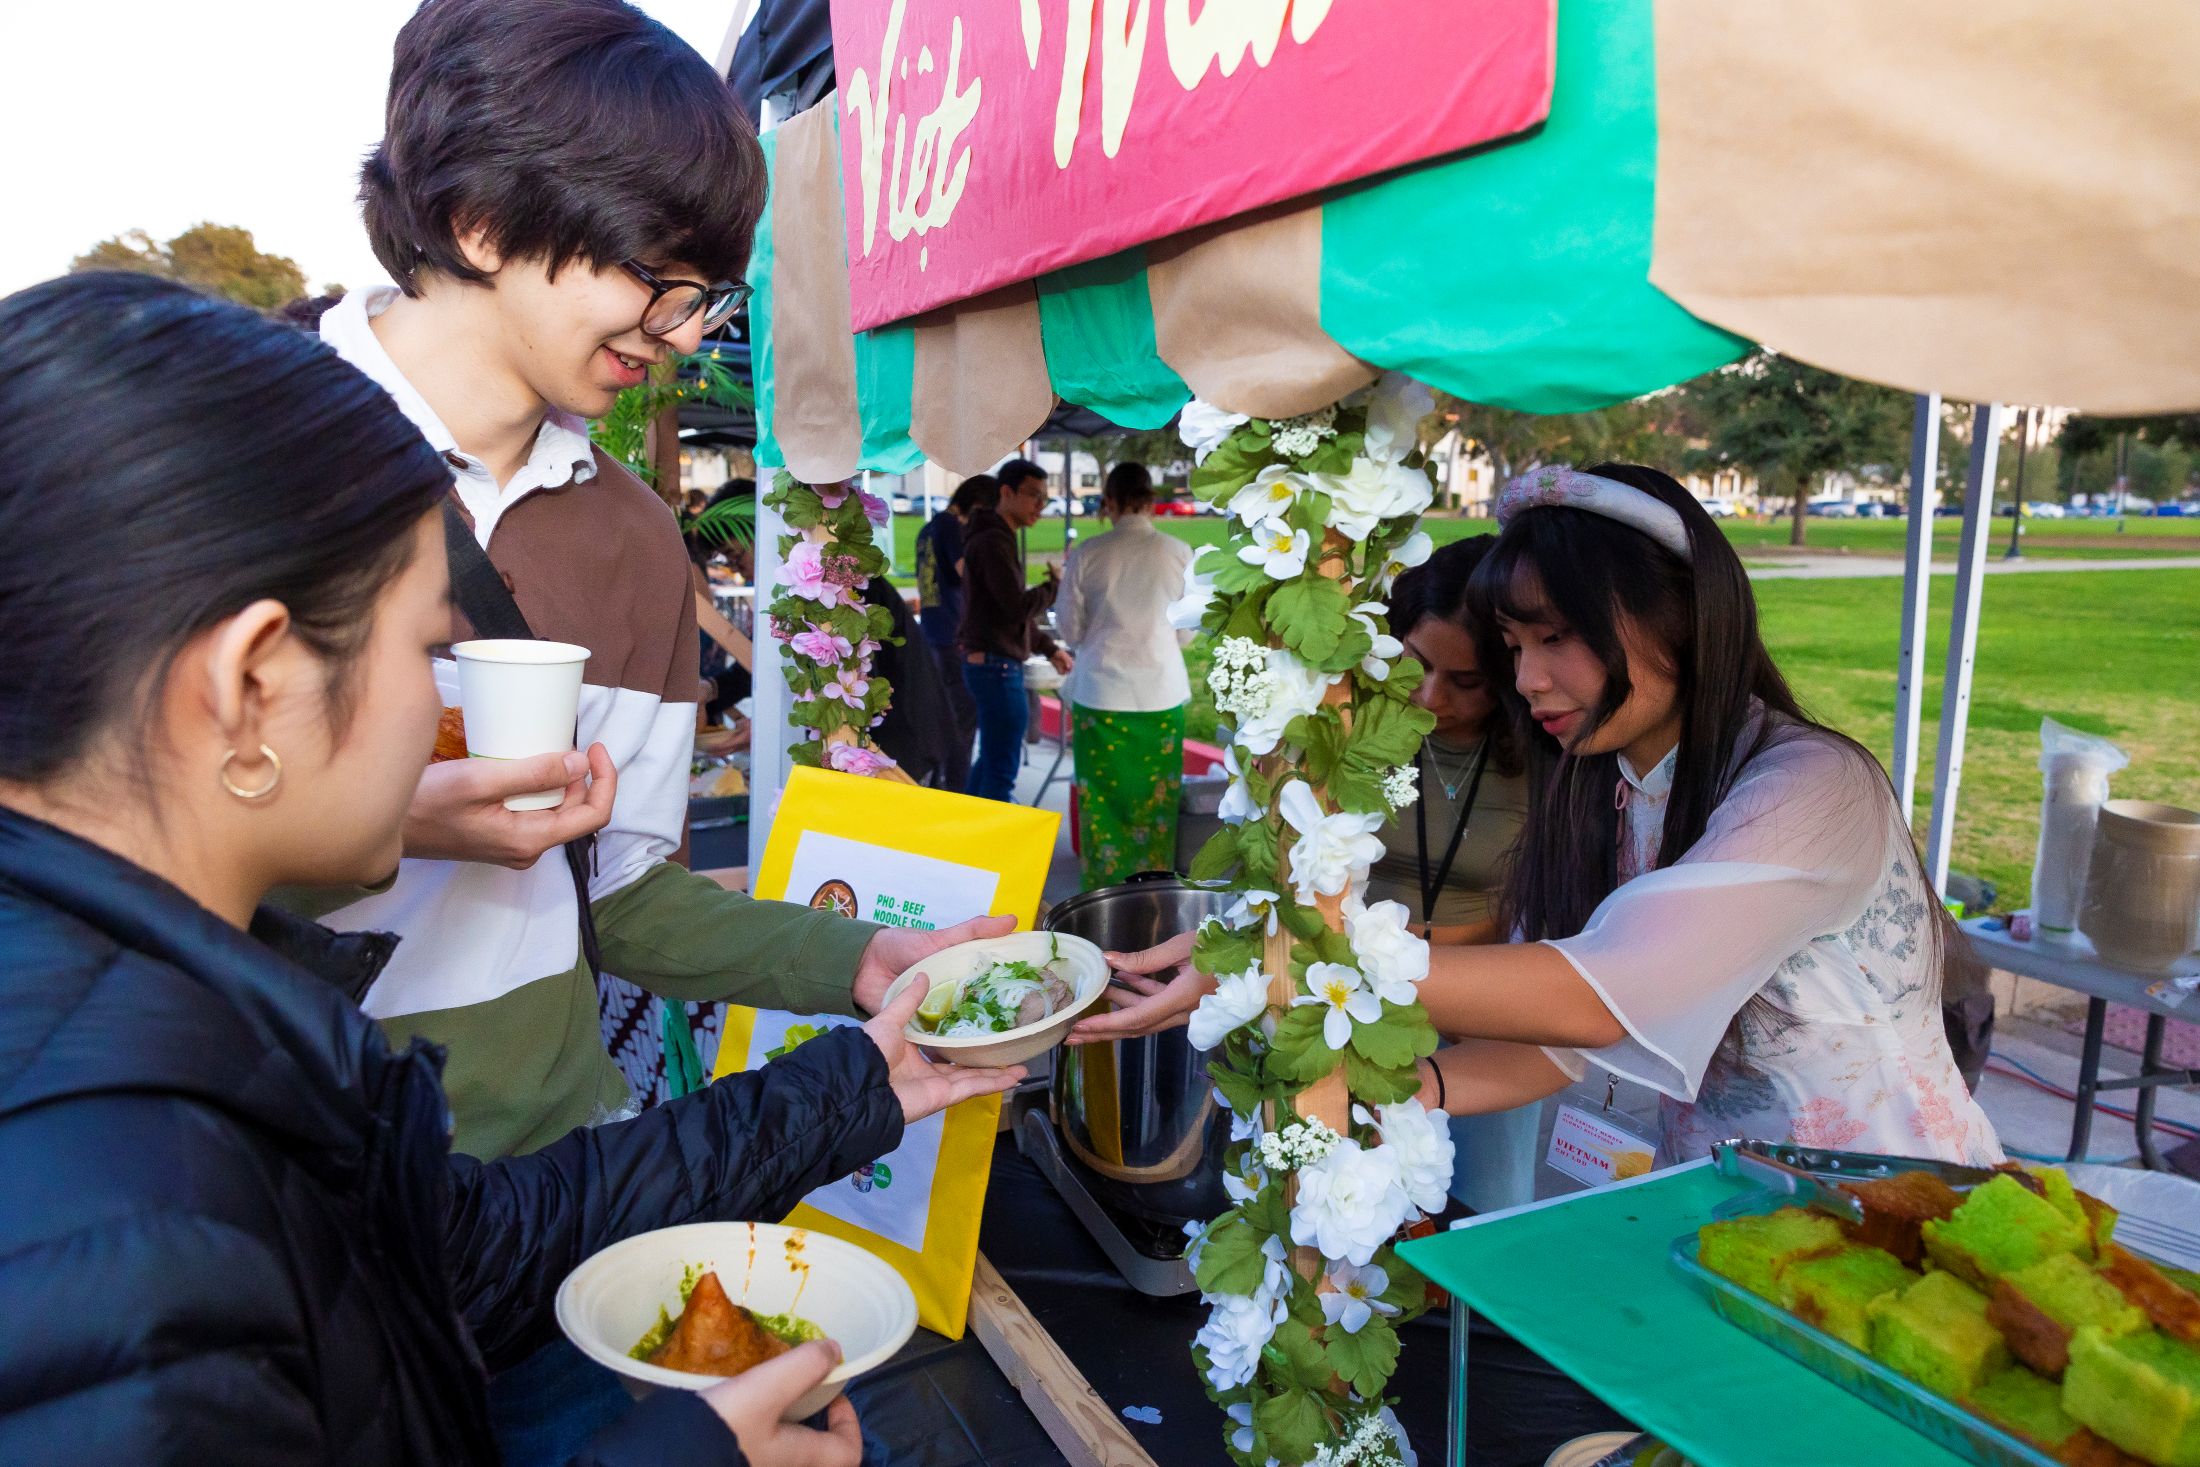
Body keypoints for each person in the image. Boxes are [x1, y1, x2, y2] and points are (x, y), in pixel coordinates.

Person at [0, 271, 1021, 1466]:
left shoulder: (197, 1039)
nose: (684, 329)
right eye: (431, 651)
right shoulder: (132, 1205)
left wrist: (865, 1085)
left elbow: (470, 1242)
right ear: (252, 682)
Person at [315, 2, 1009, 1453]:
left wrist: (855, 955)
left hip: (576, 1189)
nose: (685, 332)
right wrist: (390, 822)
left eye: (709, 296)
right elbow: (96, 870)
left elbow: (621, 888)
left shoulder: (635, 541)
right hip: (307, 1201)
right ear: (481, 217)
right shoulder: (249, 453)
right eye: (660, 281)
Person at [1077, 464, 2001, 1169]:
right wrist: (1397, 1096)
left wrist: (1279, 960)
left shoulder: (1811, 788)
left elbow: (1594, 995)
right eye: (1515, 646)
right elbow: (1554, 1050)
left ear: (1678, 617)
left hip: (1890, 1204)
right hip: (1727, 1214)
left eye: (1556, 638)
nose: (1527, 680)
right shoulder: (1613, 789)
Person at [1364, 536, 1530, 945]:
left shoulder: (1542, 752)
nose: (1431, 697)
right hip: (1346, 981)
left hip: (1479, 989)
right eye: (1418, 663)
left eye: (1467, 681)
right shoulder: (1353, 724)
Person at [1055, 461, 1195, 886]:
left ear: (1110, 502)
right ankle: (1152, 890)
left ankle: (1103, 894)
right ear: (1151, 501)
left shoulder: (1089, 552)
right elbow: (1187, 632)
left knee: (1102, 803)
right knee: (1156, 806)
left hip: (1101, 694)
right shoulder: (1178, 552)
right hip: (1161, 693)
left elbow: (1069, 628)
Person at [958, 459, 1071, 802]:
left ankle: (965, 839)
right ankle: (987, 851)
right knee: (1001, 770)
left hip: (992, 663)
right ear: (1006, 493)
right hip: (996, 666)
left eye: (1045, 499)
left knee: (992, 761)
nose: (1040, 505)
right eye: (1034, 495)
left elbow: (1003, 612)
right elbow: (1014, 608)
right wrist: (1055, 587)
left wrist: (1049, 648)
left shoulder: (995, 537)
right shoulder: (993, 541)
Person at [913, 474, 990, 790]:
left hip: (933, 633)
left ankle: (940, 787)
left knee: (944, 718)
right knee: (963, 722)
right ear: (976, 505)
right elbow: (966, 573)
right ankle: (958, 793)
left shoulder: (926, 529)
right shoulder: (950, 527)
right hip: (955, 634)